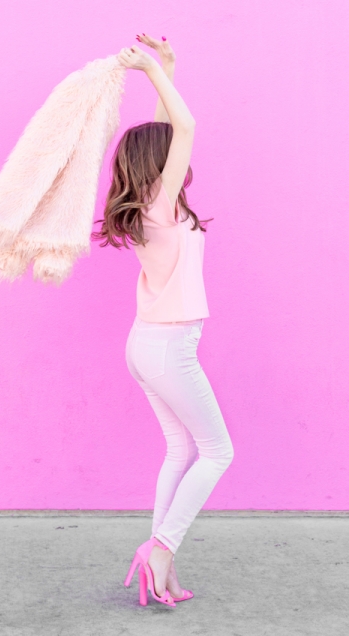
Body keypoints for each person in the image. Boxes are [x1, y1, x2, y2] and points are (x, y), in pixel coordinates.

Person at [93, 34, 234, 608]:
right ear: (163, 166)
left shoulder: (147, 203)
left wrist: (166, 68)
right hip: (170, 348)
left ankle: (161, 563)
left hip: (144, 346)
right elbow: (188, 126)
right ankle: (162, 549)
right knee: (217, 452)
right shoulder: (163, 204)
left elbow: (167, 134)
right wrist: (152, 72)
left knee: (180, 450)